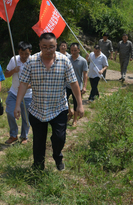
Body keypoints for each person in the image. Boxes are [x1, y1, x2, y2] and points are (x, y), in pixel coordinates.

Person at [14, 33, 84, 171]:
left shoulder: (64, 61)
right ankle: (38, 166)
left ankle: (57, 155)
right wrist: (17, 105)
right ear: (40, 46)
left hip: (58, 108)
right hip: (37, 108)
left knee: (59, 137)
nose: (48, 50)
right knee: (38, 141)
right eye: (44, 47)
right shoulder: (31, 61)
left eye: (51, 47)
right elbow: (23, 84)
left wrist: (80, 104)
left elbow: (74, 83)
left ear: (56, 46)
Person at [4, 41, 33, 145]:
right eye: (21, 53)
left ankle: (24, 136)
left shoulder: (33, 61)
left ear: (30, 52)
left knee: (26, 117)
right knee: (10, 112)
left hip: (28, 95)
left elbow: (37, 80)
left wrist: (26, 86)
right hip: (14, 93)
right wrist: (13, 71)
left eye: (26, 54)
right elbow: (6, 74)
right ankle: (13, 135)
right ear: (18, 52)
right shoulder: (14, 60)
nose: (24, 56)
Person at [68, 43, 88, 126]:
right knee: (64, 100)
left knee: (76, 103)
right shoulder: (67, 59)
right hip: (67, 85)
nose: (73, 52)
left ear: (79, 50)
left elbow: (85, 75)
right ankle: (70, 112)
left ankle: (75, 120)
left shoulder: (83, 61)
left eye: (75, 50)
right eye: (72, 50)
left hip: (77, 86)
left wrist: (84, 87)